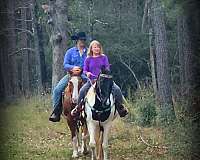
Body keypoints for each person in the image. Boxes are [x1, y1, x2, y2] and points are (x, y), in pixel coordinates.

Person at [71, 40, 128, 117]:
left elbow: (107, 67)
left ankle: (121, 108)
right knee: (82, 91)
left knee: (117, 89)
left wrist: (105, 70)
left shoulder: (104, 57)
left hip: (104, 80)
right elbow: (84, 70)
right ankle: (78, 108)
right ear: (91, 49)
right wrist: (87, 73)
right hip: (92, 80)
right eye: (95, 47)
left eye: (98, 47)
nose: (97, 49)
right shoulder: (88, 59)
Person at [49, 32, 88, 122]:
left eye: (84, 40)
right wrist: (73, 68)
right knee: (57, 90)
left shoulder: (88, 52)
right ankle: (56, 112)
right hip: (71, 75)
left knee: (95, 88)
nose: (82, 41)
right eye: (81, 40)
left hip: (84, 75)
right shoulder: (70, 52)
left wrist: (83, 70)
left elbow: (91, 63)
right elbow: (65, 64)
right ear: (77, 40)